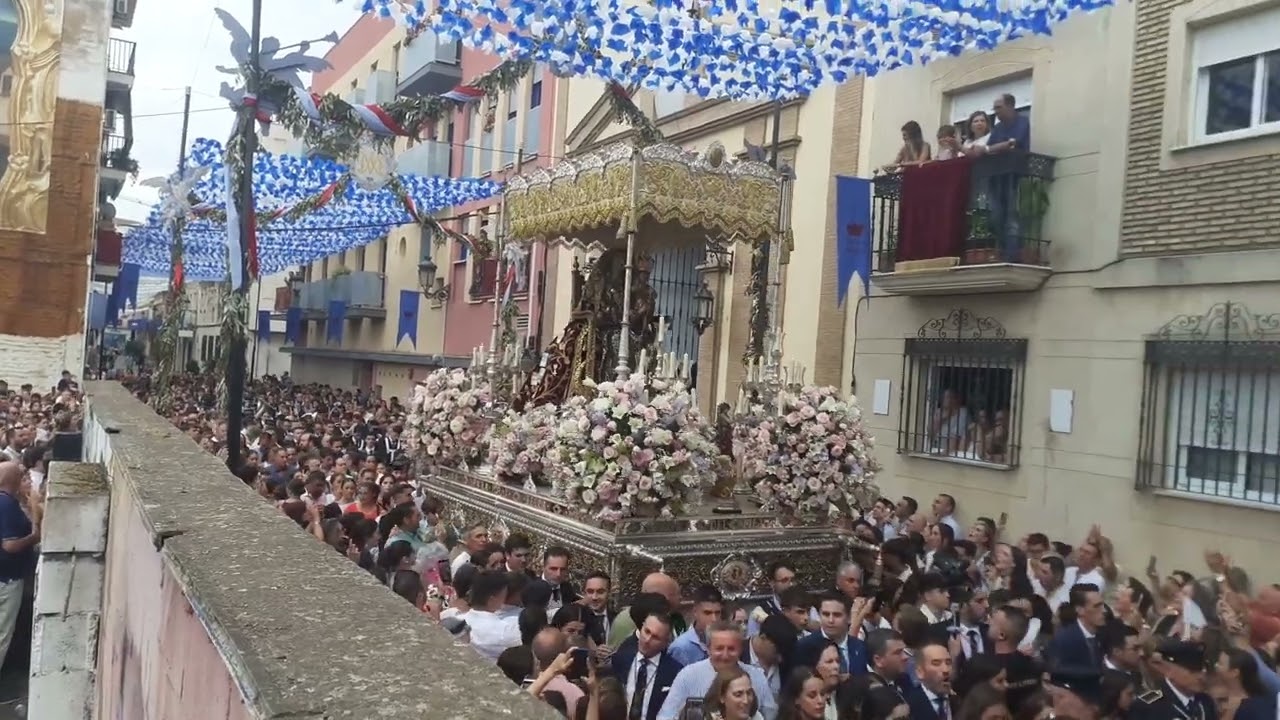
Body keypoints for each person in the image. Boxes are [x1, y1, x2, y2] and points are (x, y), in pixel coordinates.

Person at [659, 621, 778, 720]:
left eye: (731, 649)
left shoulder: (756, 677)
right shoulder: (687, 676)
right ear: (708, 648)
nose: (725, 655)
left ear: (741, 649)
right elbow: (665, 717)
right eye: (719, 648)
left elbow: (771, 716)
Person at [612, 610, 683, 720]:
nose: (647, 640)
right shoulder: (621, 658)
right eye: (647, 632)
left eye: (655, 637)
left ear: (665, 643)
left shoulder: (674, 672)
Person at [0, 461, 38, 663]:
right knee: (2, 634)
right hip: (7, 580)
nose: (26, 479)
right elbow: (10, 545)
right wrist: (35, 537)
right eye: (22, 475)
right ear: (13, 479)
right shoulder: (6, 504)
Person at [1130, 639, 1217, 720]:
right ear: (1169, 670)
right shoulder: (1148, 706)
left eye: (1203, 671)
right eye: (1192, 671)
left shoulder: (1206, 702)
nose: (1201, 676)